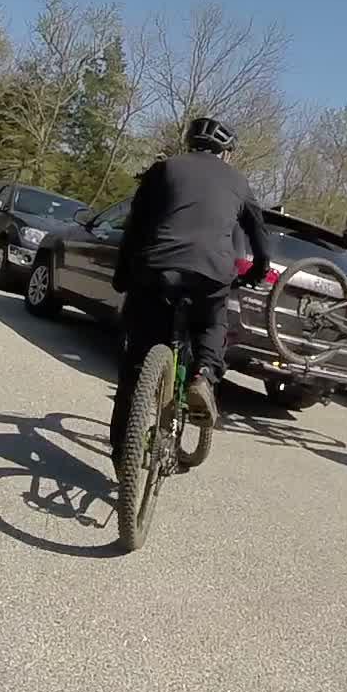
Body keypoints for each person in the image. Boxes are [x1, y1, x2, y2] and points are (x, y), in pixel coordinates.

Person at [109, 117, 273, 450]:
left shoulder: (164, 169)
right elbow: (259, 231)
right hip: (211, 271)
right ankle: (204, 376)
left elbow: (135, 226)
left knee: (134, 364)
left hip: (158, 268)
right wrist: (258, 270)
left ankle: (121, 449)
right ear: (226, 153)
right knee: (211, 322)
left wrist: (123, 274)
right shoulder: (238, 182)